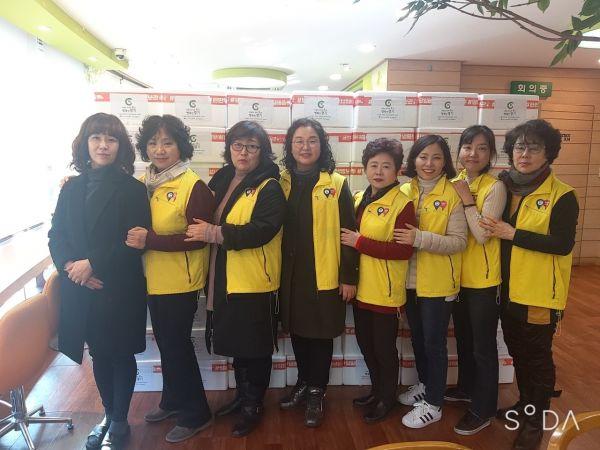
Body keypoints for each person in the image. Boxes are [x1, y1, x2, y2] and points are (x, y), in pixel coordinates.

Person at [48, 113, 151, 450]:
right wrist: (71, 268)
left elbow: (134, 242)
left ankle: (119, 420)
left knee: (120, 353)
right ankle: (108, 414)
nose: (103, 145)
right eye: (96, 138)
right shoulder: (71, 188)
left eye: (111, 139)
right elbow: (56, 235)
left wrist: (92, 265)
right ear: (85, 143)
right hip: (82, 288)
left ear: (120, 146)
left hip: (119, 287)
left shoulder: (133, 189)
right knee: (99, 355)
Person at [480, 119, 578, 450]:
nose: (525, 154)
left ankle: (535, 422)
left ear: (548, 153)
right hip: (507, 289)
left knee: (537, 358)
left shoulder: (562, 195)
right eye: (520, 147)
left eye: (534, 148)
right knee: (518, 351)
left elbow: (562, 244)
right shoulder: (504, 186)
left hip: (538, 293)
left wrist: (513, 234)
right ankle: (526, 404)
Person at [185, 120, 285, 437]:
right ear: (229, 148)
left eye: (252, 147)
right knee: (237, 343)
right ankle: (242, 397)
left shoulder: (270, 186)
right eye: (238, 145)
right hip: (224, 276)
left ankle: (254, 406)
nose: (243, 152)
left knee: (254, 346)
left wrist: (215, 233)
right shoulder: (223, 177)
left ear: (262, 151)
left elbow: (262, 230)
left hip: (253, 280)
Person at [125, 115, 214, 443]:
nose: (159, 149)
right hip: (152, 278)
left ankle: (197, 413)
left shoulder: (193, 185)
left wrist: (150, 240)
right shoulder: (144, 182)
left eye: (167, 143)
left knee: (177, 346)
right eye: (152, 143)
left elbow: (198, 238)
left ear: (181, 147)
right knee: (166, 344)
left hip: (180, 281)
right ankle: (173, 399)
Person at [278, 118, 359, 428]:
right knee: (298, 331)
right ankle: (303, 381)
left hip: (323, 272)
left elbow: (348, 232)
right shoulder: (281, 181)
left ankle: (316, 391)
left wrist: (348, 276)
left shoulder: (336, 183)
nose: (305, 146)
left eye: (312, 140)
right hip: (290, 273)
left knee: (320, 334)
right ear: (290, 146)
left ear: (322, 145)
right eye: (299, 141)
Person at [340, 138, 416, 423]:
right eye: (373, 165)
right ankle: (376, 392)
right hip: (361, 289)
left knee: (384, 350)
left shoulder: (402, 203)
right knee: (366, 345)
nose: (379, 171)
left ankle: (387, 399)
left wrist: (360, 242)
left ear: (397, 170)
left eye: (386, 166)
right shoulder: (360, 198)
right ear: (365, 168)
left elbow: (403, 251)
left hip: (385, 292)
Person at [394, 134, 468, 429]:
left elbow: (459, 241)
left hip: (438, 284)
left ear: (445, 162)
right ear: (413, 160)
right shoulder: (403, 190)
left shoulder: (453, 194)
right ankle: (425, 385)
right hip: (408, 282)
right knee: (417, 339)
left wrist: (419, 238)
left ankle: (434, 404)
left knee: (434, 344)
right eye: (423, 157)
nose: (429, 163)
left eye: (436, 157)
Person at [446, 125, 507, 435]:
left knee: (483, 347)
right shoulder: (455, 182)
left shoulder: (495, 187)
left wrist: (468, 201)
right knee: (465, 341)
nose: (473, 153)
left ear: (491, 154)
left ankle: (483, 409)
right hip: (456, 278)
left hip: (482, 280)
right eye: (468, 146)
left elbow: (483, 235)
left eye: (482, 148)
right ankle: (467, 389)